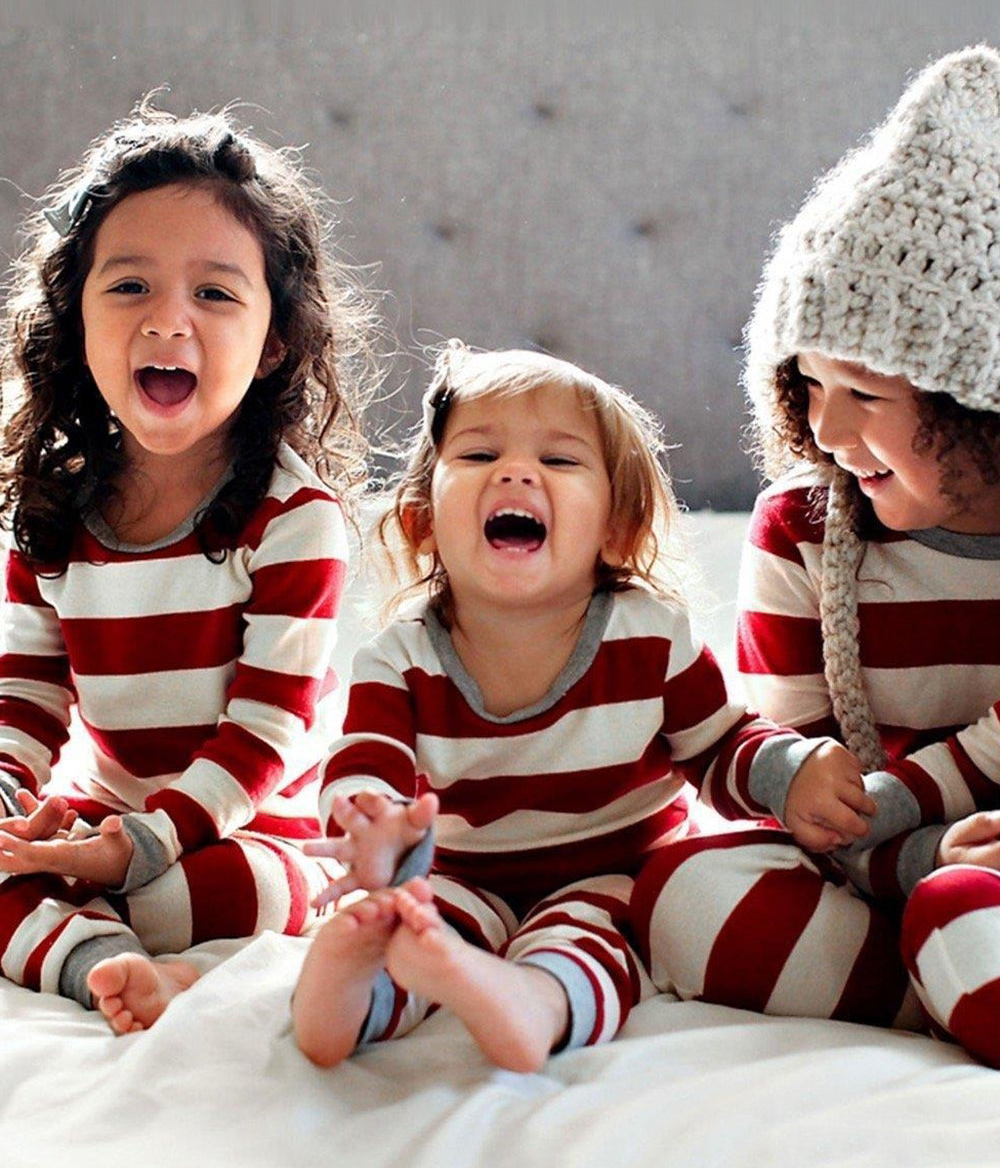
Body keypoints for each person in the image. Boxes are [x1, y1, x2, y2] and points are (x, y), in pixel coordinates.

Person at [291, 342, 870, 1072]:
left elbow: (723, 746)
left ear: (617, 531)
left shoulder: (649, 638)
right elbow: (364, 763)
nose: (515, 472)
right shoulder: (399, 658)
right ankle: (349, 995)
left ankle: (533, 1002)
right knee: (410, 921)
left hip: (614, 870)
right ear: (421, 522)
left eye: (560, 460)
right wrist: (370, 827)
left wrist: (791, 771)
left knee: (595, 938)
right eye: (478, 455)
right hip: (462, 873)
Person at [630, 44, 1000, 1066]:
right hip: (881, 863)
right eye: (806, 386)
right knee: (680, 892)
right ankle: (945, 974)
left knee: (969, 908)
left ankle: (947, 962)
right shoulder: (801, 530)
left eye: (865, 395)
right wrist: (922, 855)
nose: (827, 432)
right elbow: (803, 785)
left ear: (978, 405)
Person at [0, 101, 377, 1033]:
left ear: (275, 342)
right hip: (106, 815)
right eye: (130, 286)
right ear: (73, 321)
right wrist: (8, 807)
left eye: (214, 294)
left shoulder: (293, 519)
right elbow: (25, 701)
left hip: (251, 822)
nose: (168, 321)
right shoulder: (54, 509)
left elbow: (267, 733)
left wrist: (138, 847)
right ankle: (98, 961)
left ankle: (108, 932)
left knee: (239, 888)